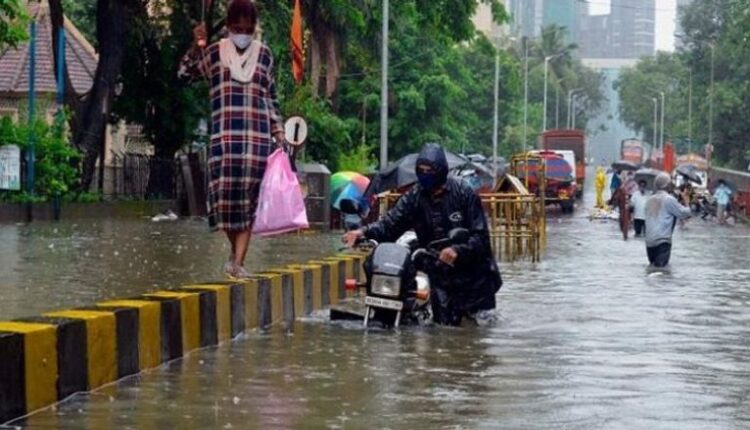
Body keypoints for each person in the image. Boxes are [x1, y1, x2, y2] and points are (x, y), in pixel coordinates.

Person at [179, 0, 285, 279]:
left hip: (256, 142)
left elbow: (270, 97)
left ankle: (238, 262)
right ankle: (234, 254)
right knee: (223, 204)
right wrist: (195, 45)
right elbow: (184, 75)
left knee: (249, 204)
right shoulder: (215, 53)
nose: (242, 34)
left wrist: (279, 131)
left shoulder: (264, 55)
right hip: (224, 143)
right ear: (228, 27)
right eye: (237, 28)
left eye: (248, 29)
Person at [342, 143, 502, 326]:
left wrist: (457, 250)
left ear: (441, 170)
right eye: (421, 170)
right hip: (440, 272)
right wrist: (362, 231)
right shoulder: (415, 196)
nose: (425, 175)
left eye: (429, 170)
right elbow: (390, 224)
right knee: (443, 329)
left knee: (478, 329)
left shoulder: (464, 193)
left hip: (474, 278)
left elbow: (481, 237)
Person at [644, 172, 691, 267]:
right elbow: (685, 213)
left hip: (649, 242)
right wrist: (686, 201)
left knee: (653, 268)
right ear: (667, 185)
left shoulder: (649, 200)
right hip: (662, 241)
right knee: (661, 271)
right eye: (670, 183)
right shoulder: (669, 199)